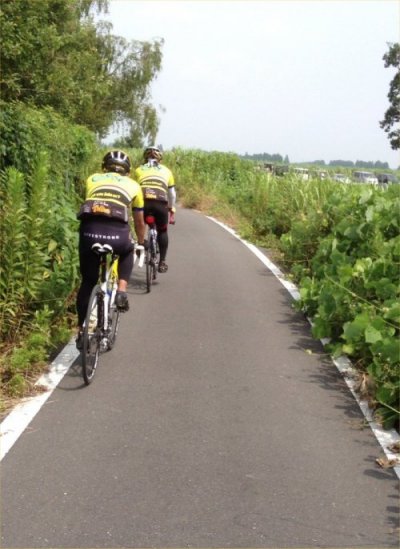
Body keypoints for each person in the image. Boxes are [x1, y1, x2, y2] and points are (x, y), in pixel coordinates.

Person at [75, 150, 145, 349]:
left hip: (89, 232)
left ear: (103, 167)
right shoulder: (134, 185)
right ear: (127, 171)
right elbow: (139, 221)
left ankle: (81, 329)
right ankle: (121, 291)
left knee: (88, 281)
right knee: (128, 250)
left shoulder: (92, 179)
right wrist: (141, 241)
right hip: (118, 235)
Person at [134, 146, 176, 273]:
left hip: (144, 203)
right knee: (162, 231)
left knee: (140, 223)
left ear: (145, 158)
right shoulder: (167, 171)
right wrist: (171, 207)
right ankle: (162, 262)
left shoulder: (138, 170)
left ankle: (141, 244)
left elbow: (133, 189)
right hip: (160, 204)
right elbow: (172, 194)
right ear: (160, 159)